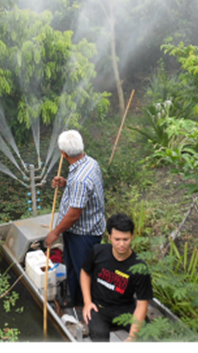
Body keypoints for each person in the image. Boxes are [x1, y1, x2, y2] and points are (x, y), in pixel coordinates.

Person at [45, 129, 105, 308]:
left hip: (83, 233)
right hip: (81, 230)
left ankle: (86, 306)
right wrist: (66, 183)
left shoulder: (79, 179)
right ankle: (74, 299)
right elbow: (84, 190)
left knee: (84, 271)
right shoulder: (90, 163)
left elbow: (74, 214)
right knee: (72, 265)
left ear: (64, 154)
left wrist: (55, 232)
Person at [80, 213, 153, 342]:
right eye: (117, 239)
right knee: (99, 335)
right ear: (109, 237)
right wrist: (87, 302)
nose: (121, 244)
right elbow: (85, 272)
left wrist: (132, 337)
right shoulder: (98, 252)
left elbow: (142, 304)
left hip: (126, 308)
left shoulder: (139, 267)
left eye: (126, 239)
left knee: (148, 335)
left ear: (132, 237)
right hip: (99, 307)